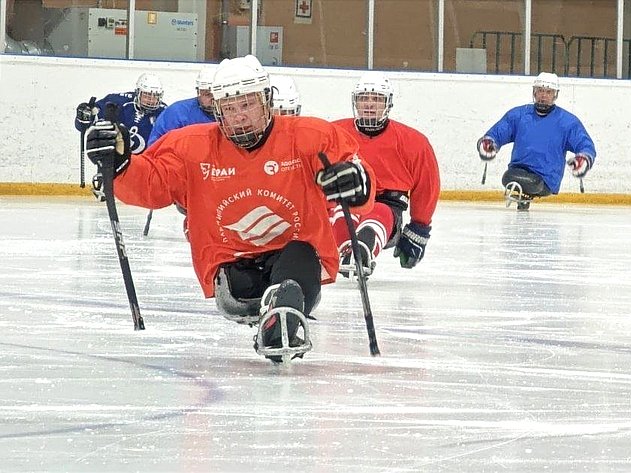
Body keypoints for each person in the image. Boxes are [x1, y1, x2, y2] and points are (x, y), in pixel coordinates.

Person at [84, 55, 375, 364]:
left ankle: (282, 313)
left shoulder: (311, 136)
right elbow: (153, 184)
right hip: (231, 267)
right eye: (230, 108)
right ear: (217, 111)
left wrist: (356, 183)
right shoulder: (189, 147)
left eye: (247, 105)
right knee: (270, 279)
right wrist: (119, 164)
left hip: (296, 260)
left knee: (299, 257)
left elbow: (353, 169)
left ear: (266, 100)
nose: (239, 117)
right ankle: (280, 310)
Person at [331, 71, 440, 279]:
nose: (369, 104)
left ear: (387, 104)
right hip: (344, 201)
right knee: (341, 211)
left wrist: (419, 227)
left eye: (377, 99)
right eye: (364, 98)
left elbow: (427, 186)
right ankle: (347, 249)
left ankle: (362, 249)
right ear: (356, 101)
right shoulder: (333, 133)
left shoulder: (413, 141)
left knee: (379, 212)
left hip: (388, 207)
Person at [477, 71, 596, 210]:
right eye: (540, 91)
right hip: (517, 171)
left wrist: (584, 159)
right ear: (534, 92)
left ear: (555, 95)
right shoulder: (519, 115)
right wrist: (488, 144)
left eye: (548, 92)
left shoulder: (567, 122)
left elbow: (585, 145)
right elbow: (497, 133)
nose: (543, 96)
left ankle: (525, 195)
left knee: (529, 182)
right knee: (508, 177)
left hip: (545, 179)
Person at [75, 73, 167, 154]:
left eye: (155, 97)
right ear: (138, 93)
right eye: (147, 96)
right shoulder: (120, 102)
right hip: (114, 161)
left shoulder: (164, 113)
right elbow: (86, 123)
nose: (150, 101)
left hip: (146, 165)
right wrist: (86, 116)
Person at [147, 66, 216, 146]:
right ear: (199, 92)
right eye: (207, 94)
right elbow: (155, 147)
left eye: (217, 94)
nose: (213, 99)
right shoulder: (177, 113)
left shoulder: (231, 113)